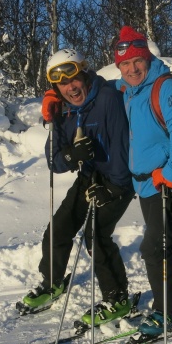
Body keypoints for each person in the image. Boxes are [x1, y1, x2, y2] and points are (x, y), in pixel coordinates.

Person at [19, 48, 135, 327]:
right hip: (88, 178)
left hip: (119, 179)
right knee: (58, 228)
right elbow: (55, 162)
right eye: (61, 83)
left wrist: (113, 189)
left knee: (95, 236)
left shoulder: (107, 99)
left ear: (84, 74)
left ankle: (117, 297)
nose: (70, 87)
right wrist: (72, 152)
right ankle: (53, 282)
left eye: (73, 79)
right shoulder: (63, 110)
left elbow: (122, 149)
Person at [114, 26, 172, 337]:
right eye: (125, 64)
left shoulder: (166, 88)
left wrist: (168, 173)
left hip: (168, 182)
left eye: (137, 60)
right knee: (169, 238)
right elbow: (93, 94)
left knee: (154, 247)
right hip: (146, 184)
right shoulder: (127, 90)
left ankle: (170, 310)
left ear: (147, 58)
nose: (132, 68)